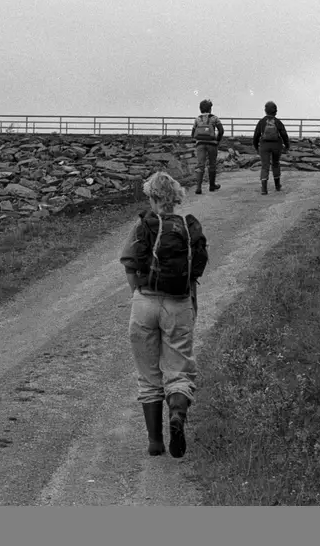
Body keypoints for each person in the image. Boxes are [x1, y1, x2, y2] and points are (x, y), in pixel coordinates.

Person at [120, 172, 208, 459]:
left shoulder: (143, 225)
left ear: (152, 196)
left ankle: (155, 442)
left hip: (145, 301)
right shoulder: (187, 226)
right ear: (176, 196)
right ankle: (177, 417)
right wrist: (191, 303)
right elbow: (195, 271)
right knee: (179, 370)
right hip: (179, 302)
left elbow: (130, 264)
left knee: (148, 374)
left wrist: (138, 293)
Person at [251, 101, 291, 195]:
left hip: (264, 146)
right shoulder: (278, 122)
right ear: (275, 111)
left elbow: (256, 136)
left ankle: (264, 189)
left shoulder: (261, 122)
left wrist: (257, 147)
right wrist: (287, 145)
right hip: (276, 145)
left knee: (265, 166)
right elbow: (284, 134)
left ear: (265, 111)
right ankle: (277, 186)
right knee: (276, 164)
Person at [189, 99, 225, 194]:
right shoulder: (214, 118)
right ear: (210, 109)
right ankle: (212, 185)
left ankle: (198, 187)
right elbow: (221, 130)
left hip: (200, 144)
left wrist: (196, 140)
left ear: (200, 109)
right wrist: (217, 140)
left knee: (200, 164)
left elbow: (192, 133)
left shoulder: (197, 119)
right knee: (212, 164)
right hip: (212, 144)